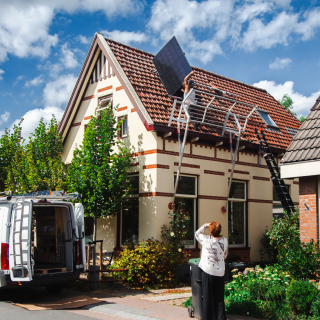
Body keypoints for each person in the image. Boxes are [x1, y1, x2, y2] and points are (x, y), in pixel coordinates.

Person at [195, 221, 228, 320]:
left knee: (207, 297)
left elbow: (197, 233)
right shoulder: (224, 241)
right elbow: (225, 254)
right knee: (219, 298)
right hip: (220, 271)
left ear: (210, 231)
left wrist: (205, 225)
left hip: (208, 271)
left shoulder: (206, 240)